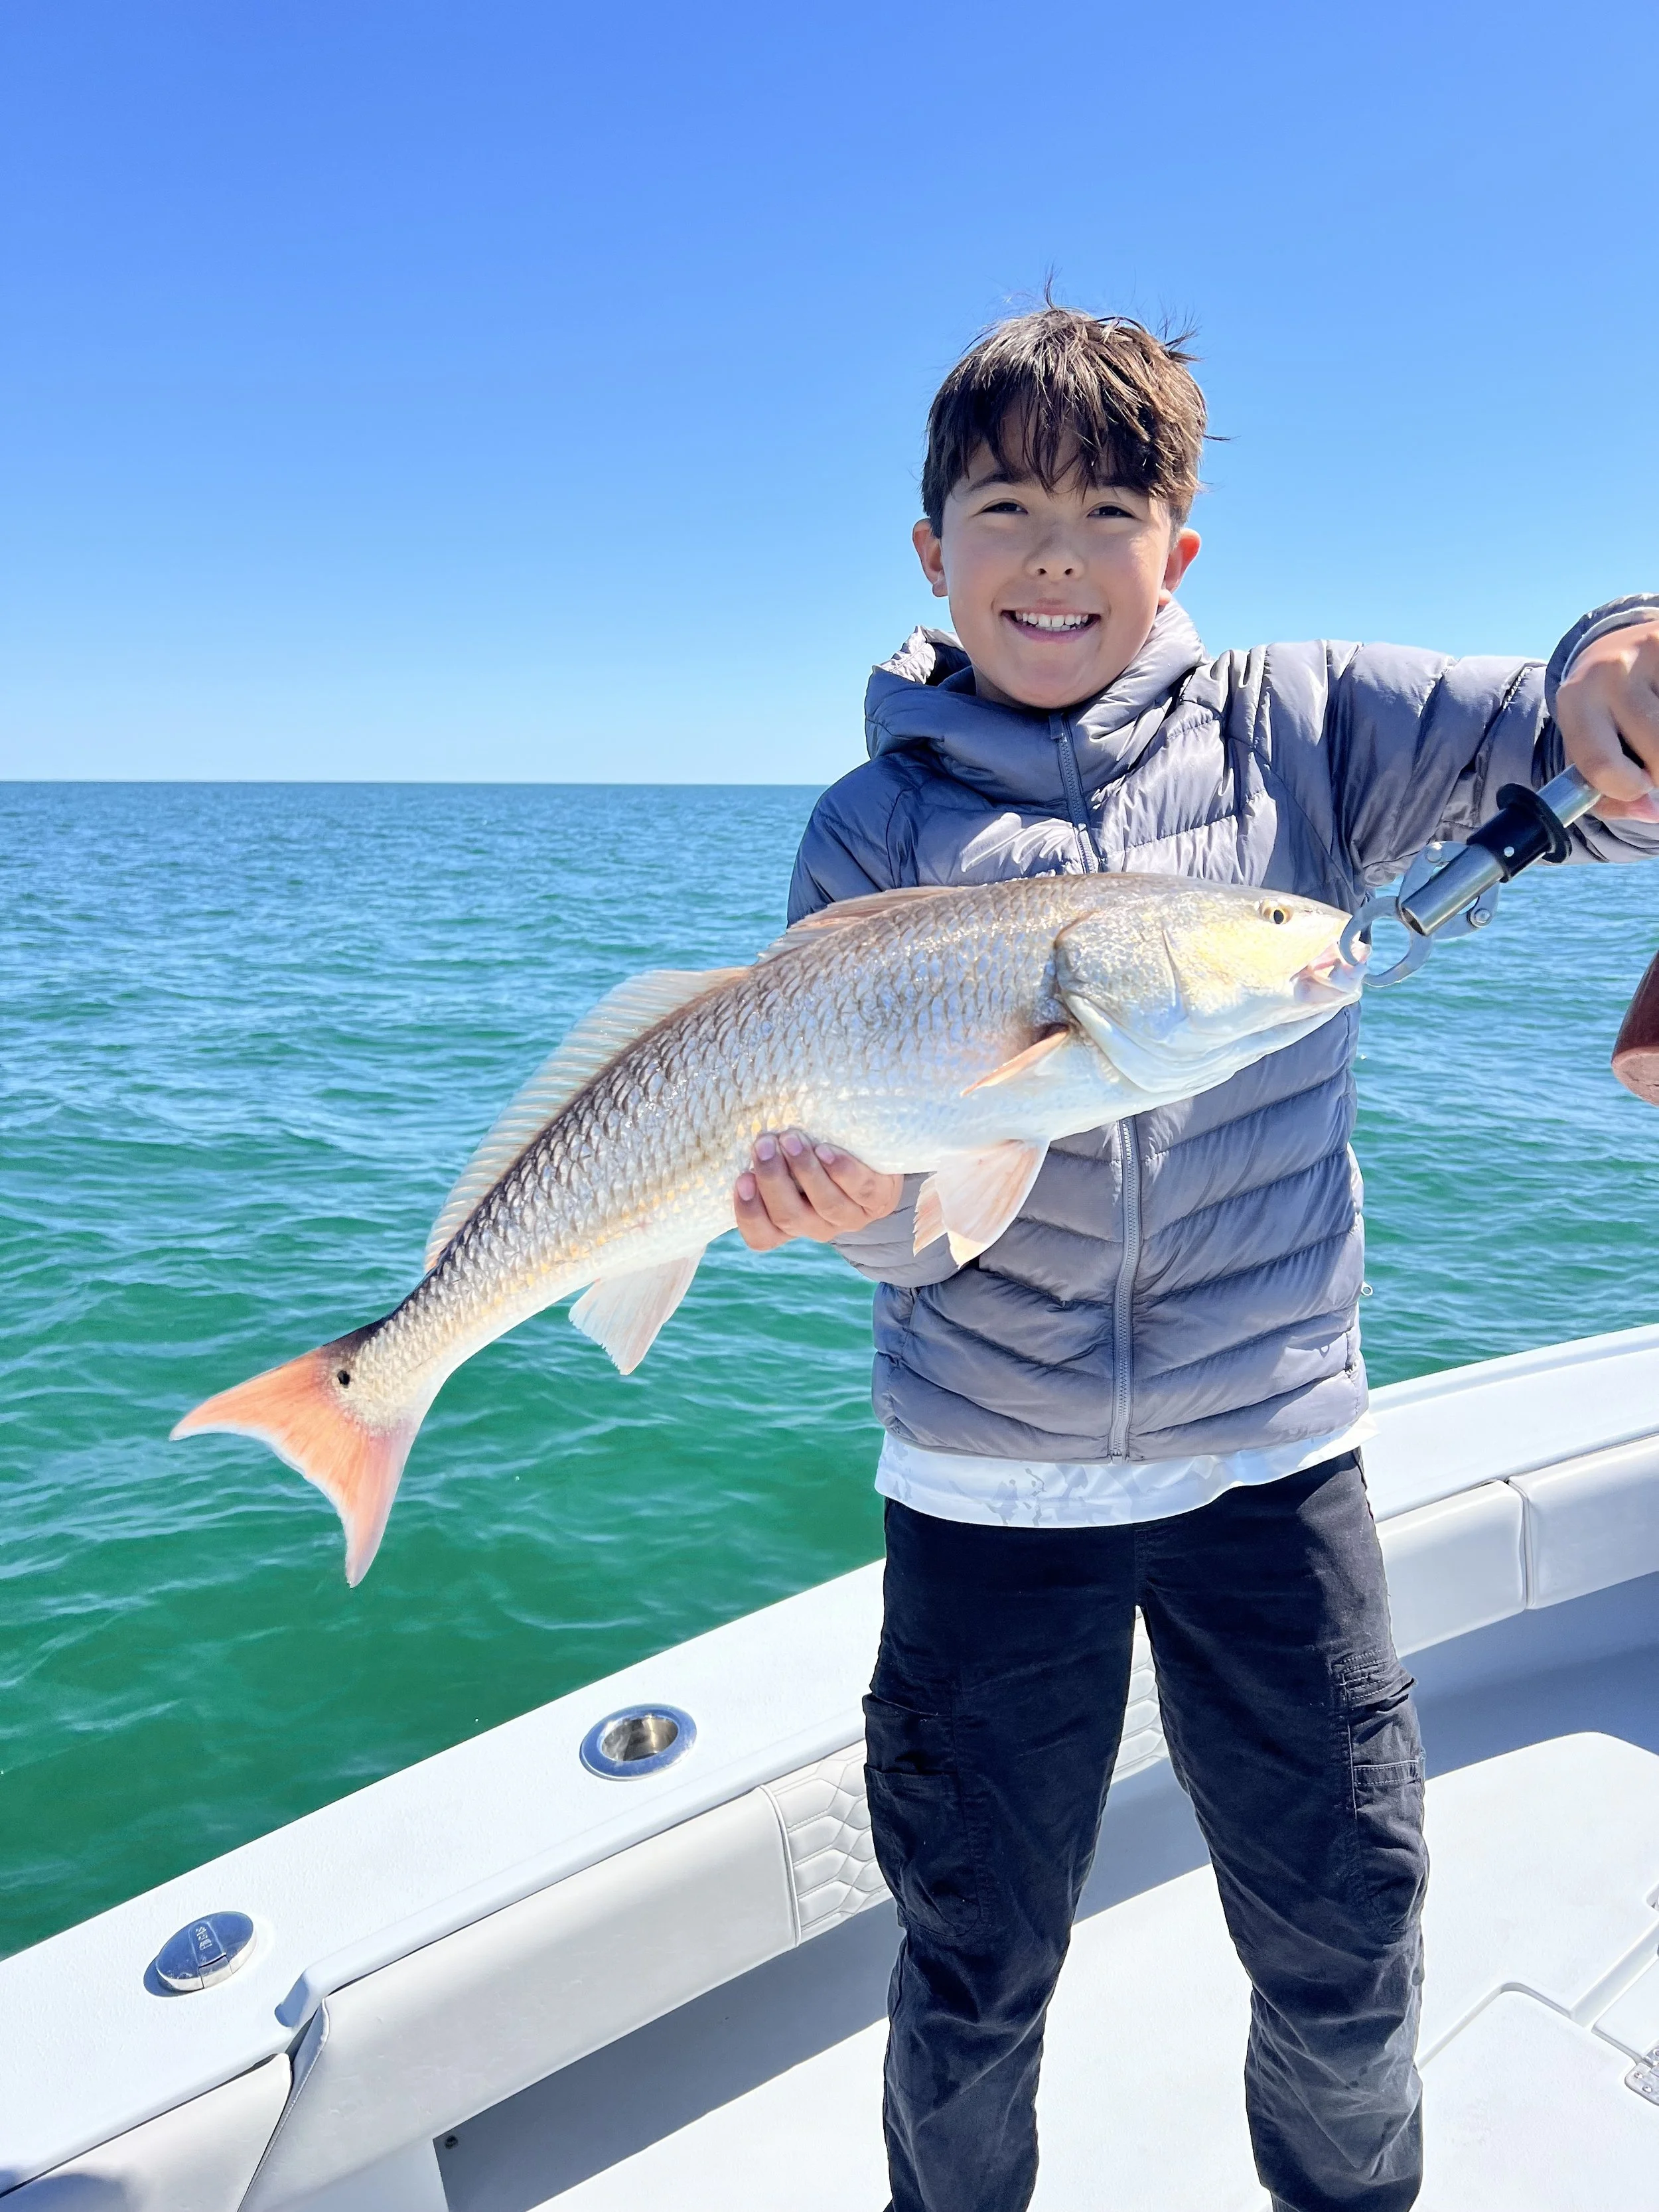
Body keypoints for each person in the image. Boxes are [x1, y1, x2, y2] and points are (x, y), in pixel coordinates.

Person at [729, 304, 1659, 2212]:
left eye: (1103, 508)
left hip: (1269, 1462)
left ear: (1178, 553)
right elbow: (907, 1223)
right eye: (1001, 508)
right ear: (931, 551)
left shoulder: (1301, 725)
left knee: (1341, 1943)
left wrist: (1615, 658)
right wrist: (852, 1211)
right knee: (975, 1961)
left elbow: (1553, 720)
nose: (1051, 556)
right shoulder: (868, 835)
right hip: (984, 1484)